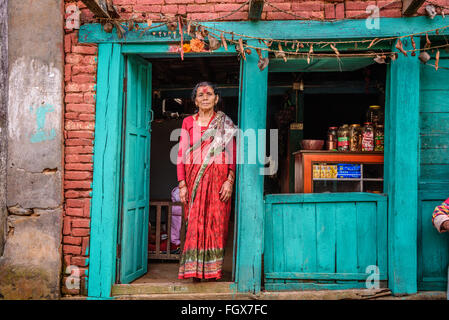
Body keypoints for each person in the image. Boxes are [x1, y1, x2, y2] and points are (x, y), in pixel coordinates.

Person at [176, 81, 237, 282]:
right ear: (195, 100)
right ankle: (194, 271)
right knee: (195, 223)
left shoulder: (224, 123)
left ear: (216, 98)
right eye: (200, 95)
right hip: (194, 182)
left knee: (216, 224)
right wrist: (182, 184)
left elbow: (232, 153)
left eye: (209, 94)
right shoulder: (187, 123)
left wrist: (229, 181)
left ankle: (212, 271)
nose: (205, 98)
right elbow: (181, 154)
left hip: (219, 183)